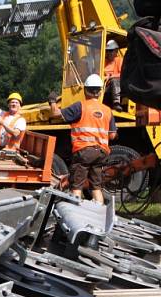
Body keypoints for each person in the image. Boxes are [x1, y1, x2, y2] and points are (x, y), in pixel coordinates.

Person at [49, 73, 118, 203]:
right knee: (96, 187)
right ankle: (99, 213)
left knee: (76, 185)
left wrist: (52, 101)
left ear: (85, 90)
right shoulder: (107, 110)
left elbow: (55, 113)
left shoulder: (80, 106)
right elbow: (112, 135)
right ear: (99, 91)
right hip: (101, 153)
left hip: (84, 153)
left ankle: (75, 212)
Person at [103, 39, 123, 111]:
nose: (109, 53)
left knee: (114, 81)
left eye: (111, 51)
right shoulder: (103, 61)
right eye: (107, 51)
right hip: (104, 86)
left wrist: (110, 77)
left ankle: (116, 103)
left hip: (115, 85)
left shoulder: (119, 60)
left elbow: (122, 75)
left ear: (116, 51)